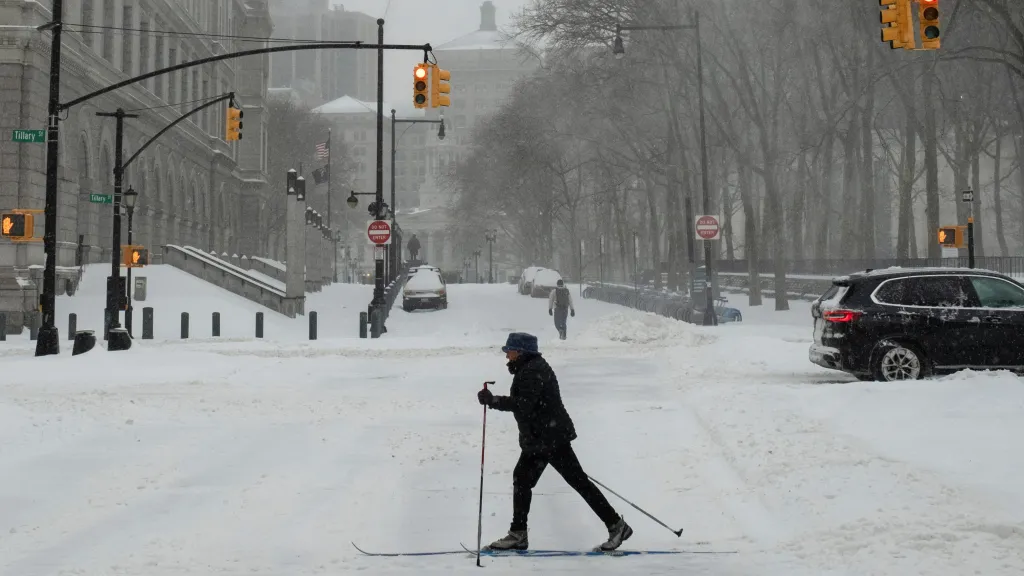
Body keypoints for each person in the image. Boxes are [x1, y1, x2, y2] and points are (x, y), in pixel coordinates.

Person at [476, 332, 632, 552]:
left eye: (509, 351)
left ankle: (616, 525)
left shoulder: (533, 371)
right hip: (542, 438)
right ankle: (519, 533)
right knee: (530, 479)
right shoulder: (529, 368)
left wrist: (494, 401)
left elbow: (524, 404)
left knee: (567, 482)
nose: (507, 356)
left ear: (521, 352)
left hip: (548, 439)